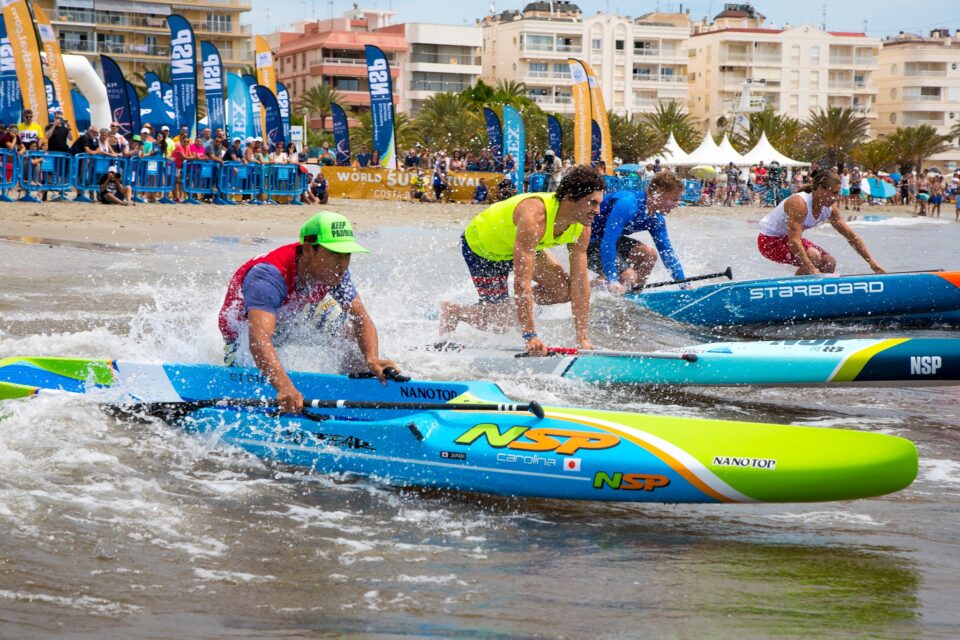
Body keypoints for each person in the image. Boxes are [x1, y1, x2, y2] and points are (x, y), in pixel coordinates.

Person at [218, 212, 399, 413]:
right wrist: (284, 386)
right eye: (334, 254)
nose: (342, 264)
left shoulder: (335, 272)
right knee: (250, 375)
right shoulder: (267, 276)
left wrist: (371, 357)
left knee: (349, 335)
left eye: (346, 255)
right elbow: (259, 340)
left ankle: (355, 387)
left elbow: (360, 317)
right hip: (244, 329)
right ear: (308, 250)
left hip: (291, 314)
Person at [439, 165, 606, 355]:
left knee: (562, 291)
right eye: (592, 203)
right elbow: (522, 281)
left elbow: (580, 283)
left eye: (599, 203)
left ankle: (504, 309)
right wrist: (530, 336)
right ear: (569, 197)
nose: (598, 211)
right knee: (501, 323)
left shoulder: (582, 225)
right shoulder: (535, 217)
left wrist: (582, 337)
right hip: (484, 248)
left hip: (522, 245)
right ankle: (455, 312)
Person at [757, 170, 885, 275]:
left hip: (788, 238)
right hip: (769, 242)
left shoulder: (830, 208)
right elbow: (794, 241)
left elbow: (851, 237)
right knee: (813, 256)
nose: (836, 198)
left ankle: (816, 299)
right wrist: (811, 269)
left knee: (829, 262)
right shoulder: (799, 203)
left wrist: (872, 263)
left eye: (838, 193)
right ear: (819, 189)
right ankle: (795, 294)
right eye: (833, 193)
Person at [589, 171, 686, 293]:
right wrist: (613, 278)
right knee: (628, 276)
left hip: (606, 239)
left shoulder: (656, 220)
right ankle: (582, 290)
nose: (675, 205)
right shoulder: (628, 204)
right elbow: (608, 242)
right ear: (656, 191)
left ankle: (634, 294)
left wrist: (684, 285)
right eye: (673, 199)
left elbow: (667, 254)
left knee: (650, 255)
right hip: (587, 241)